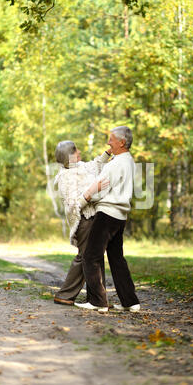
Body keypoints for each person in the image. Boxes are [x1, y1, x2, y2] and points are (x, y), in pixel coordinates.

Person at [74, 126, 140, 313]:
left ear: (121, 142)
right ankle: (130, 301)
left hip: (107, 214)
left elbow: (99, 189)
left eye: (111, 139)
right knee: (117, 258)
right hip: (120, 216)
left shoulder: (115, 164)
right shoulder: (128, 161)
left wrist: (83, 199)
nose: (108, 143)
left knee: (91, 256)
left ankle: (97, 302)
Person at [53, 140, 111, 306]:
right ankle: (65, 294)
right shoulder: (66, 176)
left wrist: (108, 152)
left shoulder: (80, 166)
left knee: (95, 257)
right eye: (75, 150)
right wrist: (92, 191)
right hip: (83, 220)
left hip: (93, 217)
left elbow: (95, 164)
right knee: (86, 258)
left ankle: (97, 298)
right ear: (69, 157)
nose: (79, 151)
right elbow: (73, 205)